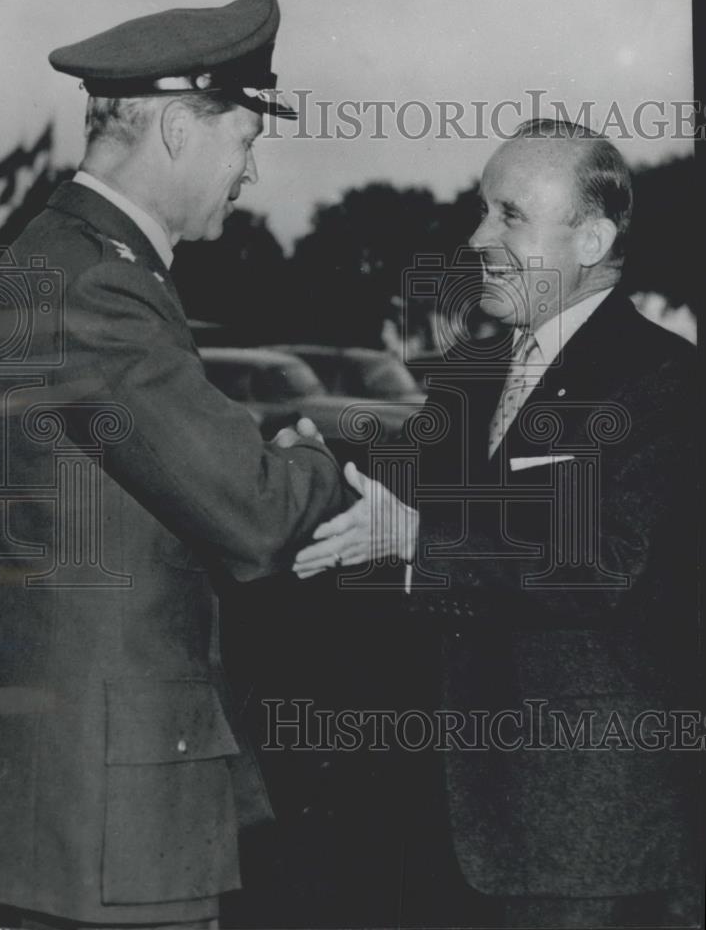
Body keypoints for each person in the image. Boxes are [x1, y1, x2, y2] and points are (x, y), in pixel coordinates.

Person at [0, 0, 349, 929]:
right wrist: (324, 451)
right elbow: (255, 509)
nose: (252, 172)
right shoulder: (98, 284)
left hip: (70, 804)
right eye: (245, 140)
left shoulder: (66, 259)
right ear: (180, 130)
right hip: (109, 819)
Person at [295, 119, 701, 928]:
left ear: (591, 238)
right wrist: (302, 462)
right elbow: (392, 482)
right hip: (454, 815)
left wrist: (414, 542)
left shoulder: (665, 381)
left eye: (509, 214)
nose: (479, 235)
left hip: (583, 837)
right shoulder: (474, 373)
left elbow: (606, 566)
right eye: (484, 210)